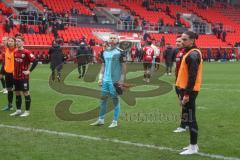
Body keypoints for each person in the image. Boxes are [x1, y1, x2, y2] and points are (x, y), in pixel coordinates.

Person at [90, 34, 126, 128]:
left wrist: (121, 80)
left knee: (115, 100)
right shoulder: (104, 52)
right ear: (108, 40)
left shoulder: (121, 52)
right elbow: (103, 65)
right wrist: (100, 78)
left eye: (114, 38)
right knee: (103, 100)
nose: (112, 39)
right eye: (111, 37)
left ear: (118, 40)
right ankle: (101, 120)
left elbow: (123, 67)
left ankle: (115, 121)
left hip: (114, 80)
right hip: (105, 80)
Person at [176, 31, 203, 155]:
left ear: (192, 40)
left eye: (185, 39)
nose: (183, 41)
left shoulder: (193, 54)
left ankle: (193, 147)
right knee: (188, 116)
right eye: (182, 39)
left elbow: (192, 76)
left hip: (190, 91)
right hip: (186, 89)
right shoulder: (189, 53)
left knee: (191, 118)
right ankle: (192, 145)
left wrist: (186, 94)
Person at [10, 36, 38, 117]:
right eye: (17, 41)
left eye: (19, 41)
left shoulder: (27, 52)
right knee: (17, 92)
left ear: (23, 42)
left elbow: (35, 61)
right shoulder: (15, 52)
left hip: (23, 77)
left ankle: (27, 111)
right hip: (15, 76)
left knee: (25, 92)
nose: (17, 43)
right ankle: (18, 110)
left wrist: (29, 71)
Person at [173, 37, 188, 133]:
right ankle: (186, 124)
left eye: (179, 41)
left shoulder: (185, 53)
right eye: (176, 41)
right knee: (182, 104)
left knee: (184, 104)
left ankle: (183, 125)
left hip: (183, 83)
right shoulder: (179, 52)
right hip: (178, 81)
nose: (177, 43)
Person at [1, 37, 16, 111]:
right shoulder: (6, 49)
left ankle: (19, 108)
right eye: (9, 41)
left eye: (12, 41)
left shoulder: (16, 51)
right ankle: (10, 105)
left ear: (14, 42)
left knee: (18, 91)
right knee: (9, 89)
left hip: (15, 74)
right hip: (7, 73)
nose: (10, 42)